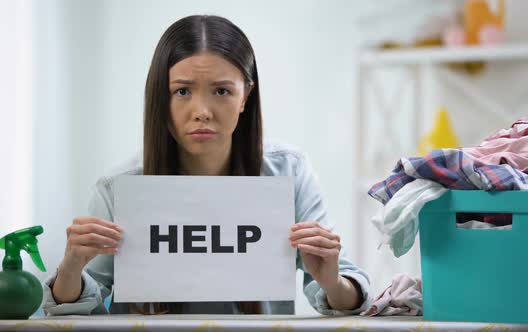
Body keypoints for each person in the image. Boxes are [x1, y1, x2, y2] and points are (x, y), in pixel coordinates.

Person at [42, 15, 370, 315]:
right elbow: (85, 304)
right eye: (182, 91)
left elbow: (346, 293)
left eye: (222, 91)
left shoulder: (289, 171)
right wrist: (71, 269)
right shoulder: (118, 187)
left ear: (246, 96)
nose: (202, 111)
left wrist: (331, 280)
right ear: (161, 96)